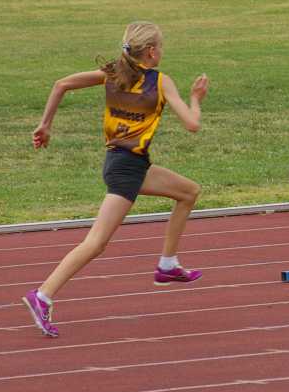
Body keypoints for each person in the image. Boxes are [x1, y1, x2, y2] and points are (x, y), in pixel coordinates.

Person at [23, 22, 208, 338]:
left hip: (128, 164)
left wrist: (45, 125)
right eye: (161, 47)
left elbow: (61, 84)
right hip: (126, 171)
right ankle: (42, 295)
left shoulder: (112, 73)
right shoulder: (161, 82)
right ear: (151, 52)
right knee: (96, 243)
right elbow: (192, 124)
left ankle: (167, 264)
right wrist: (195, 98)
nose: (162, 51)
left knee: (189, 192)